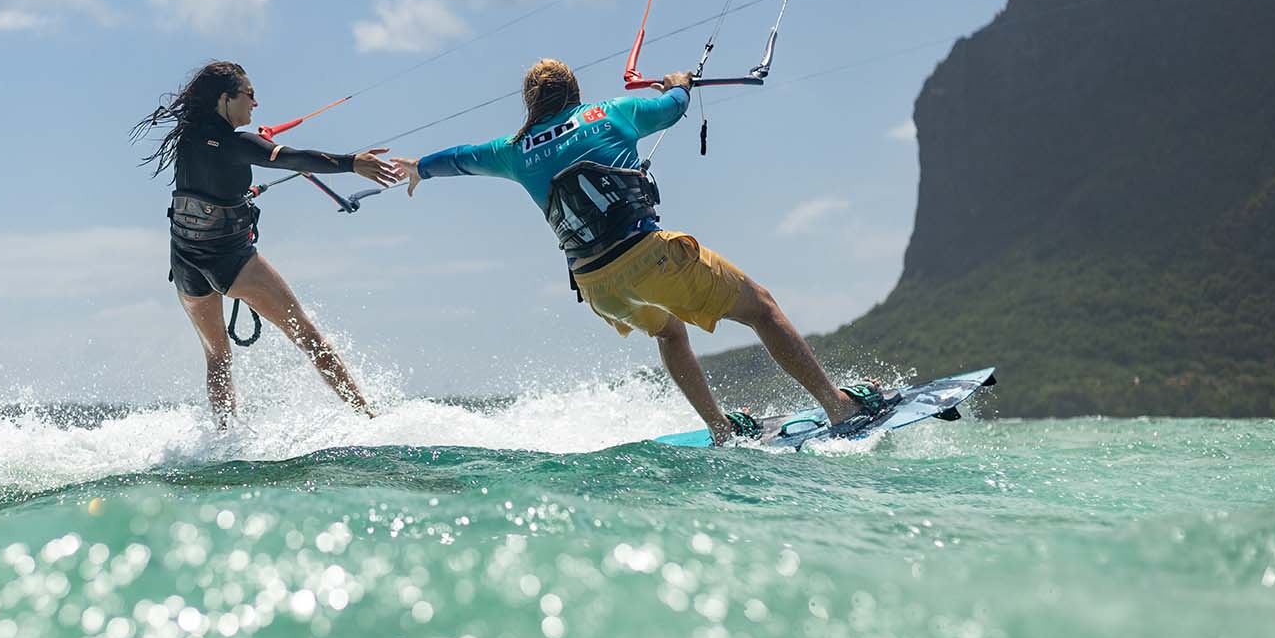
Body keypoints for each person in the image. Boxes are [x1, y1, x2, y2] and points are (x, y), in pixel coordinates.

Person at [391, 58, 888, 444]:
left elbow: (457, 159)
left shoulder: (513, 149)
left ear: (529, 103)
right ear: (575, 93)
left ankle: (720, 427)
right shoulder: (608, 113)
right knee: (761, 308)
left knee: (670, 333)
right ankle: (837, 405)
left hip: (596, 286)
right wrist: (678, 82)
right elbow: (673, 108)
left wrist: (418, 168)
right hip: (649, 258)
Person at [133, 61, 398, 428]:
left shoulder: (190, 136)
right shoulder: (237, 143)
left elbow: (215, 179)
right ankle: (370, 419)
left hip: (185, 262)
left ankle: (223, 440)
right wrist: (352, 163)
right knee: (308, 336)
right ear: (225, 99)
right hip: (229, 260)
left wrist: (249, 176)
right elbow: (293, 158)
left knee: (217, 356)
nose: (256, 103)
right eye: (250, 95)